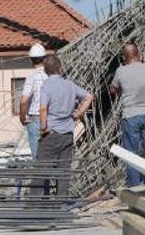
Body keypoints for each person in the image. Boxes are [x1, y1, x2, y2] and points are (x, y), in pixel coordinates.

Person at [34, 55, 94, 196]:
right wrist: (78, 113)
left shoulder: (46, 86)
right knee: (64, 170)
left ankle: (33, 204)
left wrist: (43, 128)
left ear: (46, 71)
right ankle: (61, 203)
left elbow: (43, 108)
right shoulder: (70, 84)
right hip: (67, 132)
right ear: (60, 68)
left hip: (51, 132)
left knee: (41, 170)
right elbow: (89, 97)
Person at [109, 43, 145, 187]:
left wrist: (119, 91)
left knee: (131, 154)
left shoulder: (121, 71)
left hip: (130, 115)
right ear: (138, 53)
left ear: (125, 57)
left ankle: (135, 187)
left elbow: (113, 90)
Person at [19, 43, 48, 159]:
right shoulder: (51, 75)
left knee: (37, 156)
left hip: (35, 119)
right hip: (51, 118)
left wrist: (22, 116)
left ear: (31, 60)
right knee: (51, 156)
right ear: (44, 59)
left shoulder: (32, 77)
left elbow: (24, 100)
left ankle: (41, 177)